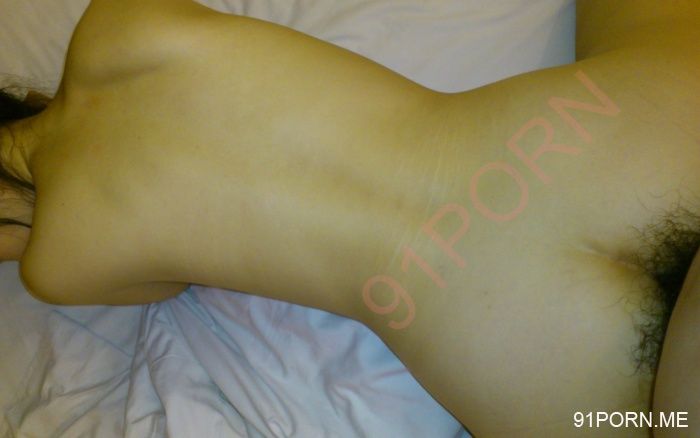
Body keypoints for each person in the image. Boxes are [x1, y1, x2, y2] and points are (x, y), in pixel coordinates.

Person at [0, 0, 698, 435]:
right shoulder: (116, 21)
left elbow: (168, 281)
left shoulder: (57, 262)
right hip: (557, 143)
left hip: (476, 311)